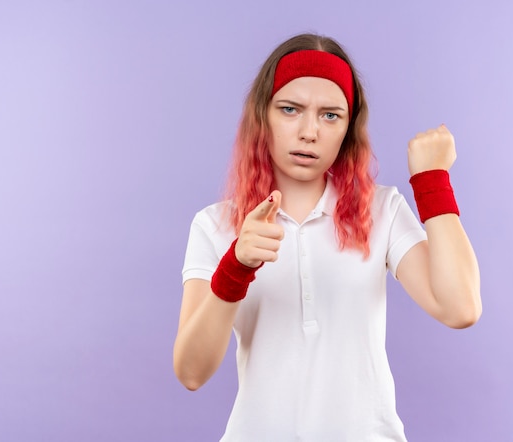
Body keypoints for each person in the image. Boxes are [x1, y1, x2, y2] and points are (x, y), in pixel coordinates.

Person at [173, 33, 481, 441]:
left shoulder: (382, 211)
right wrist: (237, 266)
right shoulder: (215, 225)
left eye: (330, 115)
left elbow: (460, 308)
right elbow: (192, 372)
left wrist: (432, 182)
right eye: (290, 109)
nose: (309, 131)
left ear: (348, 129)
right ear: (262, 116)